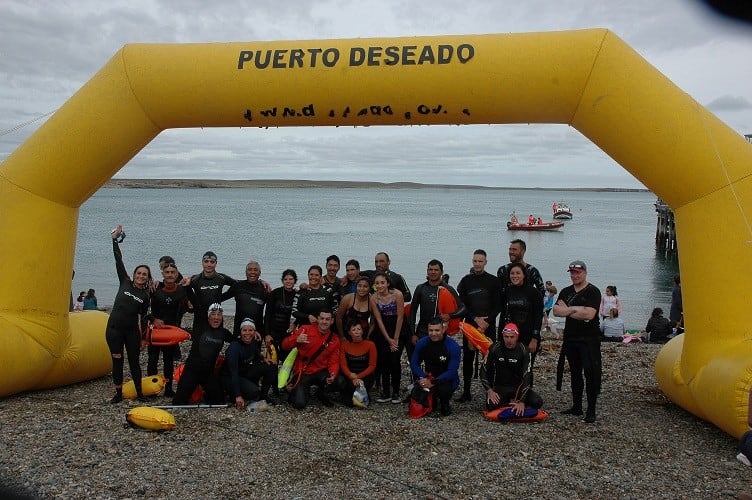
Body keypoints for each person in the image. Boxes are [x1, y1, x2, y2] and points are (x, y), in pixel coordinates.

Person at [105, 225, 151, 403]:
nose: (141, 276)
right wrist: (114, 240)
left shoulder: (145, 296)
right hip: (114, 330)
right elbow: (118, 260)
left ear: (147, 278)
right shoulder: (124, 282)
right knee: (117, 360)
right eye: (138, 273)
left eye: (144, 274)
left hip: (132, 332)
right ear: (133, 275)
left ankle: (139, 393)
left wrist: (144, 338)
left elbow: (144, 317)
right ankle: (118, 393)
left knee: (134, 362)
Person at [553, 260, 602, 424]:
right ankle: (577, 406)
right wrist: (575, 310)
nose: (575, 275)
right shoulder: (566, 291)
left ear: (585, 273)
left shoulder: (593, 291)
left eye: (578, 273)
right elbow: (556, 311)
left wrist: (569, 310)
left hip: (589, 339)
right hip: (571, 337)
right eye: (572, 273)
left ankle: (591, 410)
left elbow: (590, 315)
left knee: (591, 373)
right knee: (575, 373)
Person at [456, 249, 501, 402]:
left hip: (488, 325)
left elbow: (498, 305)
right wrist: (475, 319)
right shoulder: (466, 281)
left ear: (485, 262)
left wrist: (486, 322)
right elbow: (462, 304)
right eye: (475, 261)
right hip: (471, 324)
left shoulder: (494, 281)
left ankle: (490, 391)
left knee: (489, 359)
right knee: (468, 359)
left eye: (480, 261)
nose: (477, 264)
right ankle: (467, 392)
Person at [172, 303, 234, 405]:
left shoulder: (224, 333)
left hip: (208, 373)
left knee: (219, 402)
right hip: (191, 371)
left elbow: (238, 342)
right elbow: (196, 303)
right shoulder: (199, 327)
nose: (216, 317)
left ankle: (205, 393)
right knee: (178, 403)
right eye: (213, 314)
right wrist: (188, 289)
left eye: (219, 315)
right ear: (208, 316)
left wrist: (253, 334)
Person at [148, 260, 193, 396]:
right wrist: (153, 319)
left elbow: (190, 308)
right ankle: (151, 388)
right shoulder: (155, 289)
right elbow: (144, 309)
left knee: (168, 360)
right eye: (167, 272)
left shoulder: (182, 291)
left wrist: (191, 304)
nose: (169, 275)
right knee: (152, 359)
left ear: (177, 274)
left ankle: (168, 388)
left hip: (171, 331)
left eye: (172, 272)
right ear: (162, 274)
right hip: (155, 331)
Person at [281, 309, 340, 409]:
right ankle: (300, 391)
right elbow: (284, 345)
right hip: (303, 372)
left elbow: (333, 361)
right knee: (299, 404)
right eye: (322, 318)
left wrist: (333, 374)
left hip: (320, 372)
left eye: (327, 319)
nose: (324, 322)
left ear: (332, 321)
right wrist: (296, 340)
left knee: (340, 381)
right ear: (317, 319)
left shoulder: (334, 339)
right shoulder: (305, 329)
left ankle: (321, 393)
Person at [409, 259, 466, 362]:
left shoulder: (448, 288)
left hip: (441, 331)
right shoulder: (421, 288)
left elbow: (463, 308)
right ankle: (420, 377)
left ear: (441, 272)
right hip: (423, 329)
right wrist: (413, 333)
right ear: (427, 271)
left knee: (438, 360)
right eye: (430, 269)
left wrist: (450, 315)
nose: (433, 272)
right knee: (417, 359)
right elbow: (413, 311)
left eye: (436, 270)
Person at [480, 322, 543, 414]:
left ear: (517, 337)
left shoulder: (524, 350)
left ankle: (513, 402)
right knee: (490, 405)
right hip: (501, 386)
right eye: (506, 337)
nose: (509, 340)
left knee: (537, 402)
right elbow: (483, 369)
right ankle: (511, 401)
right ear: (503, 336)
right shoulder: (494, 348)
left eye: (512, 337)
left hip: (518, 387)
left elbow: (527, 375)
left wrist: (522, 401)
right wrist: (489, 390)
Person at [184, 251, 237, 354]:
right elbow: (182, 290)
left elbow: (238, 285)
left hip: (216, 316)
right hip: (200, 318)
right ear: (202, 263)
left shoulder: (221, 278)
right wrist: (188, 302)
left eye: (212, 262)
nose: (209, 264)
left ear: (216, 263)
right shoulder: (195, 279)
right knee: (197, 346)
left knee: (216, 345)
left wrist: (221, 298)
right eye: (206, 261)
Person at [410, 317, 461, 417]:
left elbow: (452, 371)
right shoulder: (422, 343)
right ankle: (432, 400)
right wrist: (422, 378)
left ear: (443, 329)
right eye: (431, 330)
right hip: (428, 376)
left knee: (444, 390)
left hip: (446, 379)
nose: (433, 333)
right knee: (416, 396)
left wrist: (433, 382)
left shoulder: (453, 346)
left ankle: (444, 403)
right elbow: (414, 364)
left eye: (437, 330)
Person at [220, 318, 276, 408]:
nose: (247, 333)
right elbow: (233, 373)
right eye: (244, 330)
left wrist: (264, 359)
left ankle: (264, 396)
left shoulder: (252, 341)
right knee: (253, 392)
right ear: (240, 332)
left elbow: (256, 351)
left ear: (254, 332)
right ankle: (232, 394)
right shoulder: (234, 348)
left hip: (243, 371)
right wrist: (238, 396)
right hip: (229, 376)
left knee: (271, 366)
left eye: (250, 330)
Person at [499, 262, 543, 373]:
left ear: (524, 275)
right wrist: (500, 336)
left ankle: (526, 389)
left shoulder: (533, 292)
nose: (515, 276)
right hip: (512, 335)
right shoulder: (507, 292)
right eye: (512, 273)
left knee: (527, 367)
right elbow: (503, 314)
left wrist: (535, 338)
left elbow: (538, 316)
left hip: (528, 336)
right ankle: (510, 389)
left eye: (518, 273)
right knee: (511, 366)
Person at [370, 271, 405, 404]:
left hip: (398, 327)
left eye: (382, 283)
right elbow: (378, 319)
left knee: (395, 360)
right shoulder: (374, 298)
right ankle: (386, 392)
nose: (380, 286)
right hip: (383, 329)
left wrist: (395, 339)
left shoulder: (397, 294)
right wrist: (387, 338)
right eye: (377, 283)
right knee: (383, 360)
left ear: (388, 283)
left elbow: (401, 316)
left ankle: (396, 392)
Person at [223, 261, 268, 338]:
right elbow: (221, 297)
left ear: (260, 273)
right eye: (250, 269)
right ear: (246, 272)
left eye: (255, 270)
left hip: (257, 330)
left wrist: (294, 292)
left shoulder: (265, 289)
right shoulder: (238, 286)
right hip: (239, 329)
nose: (252, 272)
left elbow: (273, 309)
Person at [336, 321, 377, 406]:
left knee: (362, 399)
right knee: (348, 403)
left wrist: (358, 377)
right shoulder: (344, 345)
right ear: (349, 333)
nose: (357, 331)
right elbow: (343, 364)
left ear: (362, 331)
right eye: (353, 330)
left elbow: (372, 366)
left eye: (359, 329)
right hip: (350, 375)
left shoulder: (370, 345)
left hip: (365, 375)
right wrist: (351, 375)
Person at [264, 268, 298, 358]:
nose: (288, 281)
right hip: (272, 331)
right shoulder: (275, 293)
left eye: (291, 279)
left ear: (295, 281)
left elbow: (300, 313)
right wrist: (267, 334)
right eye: (286, 279)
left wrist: (294, 324)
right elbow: (267, 315)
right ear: (282, 281)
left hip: (285, 331)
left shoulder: (297, 295)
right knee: (272, 359)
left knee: (285, 357)